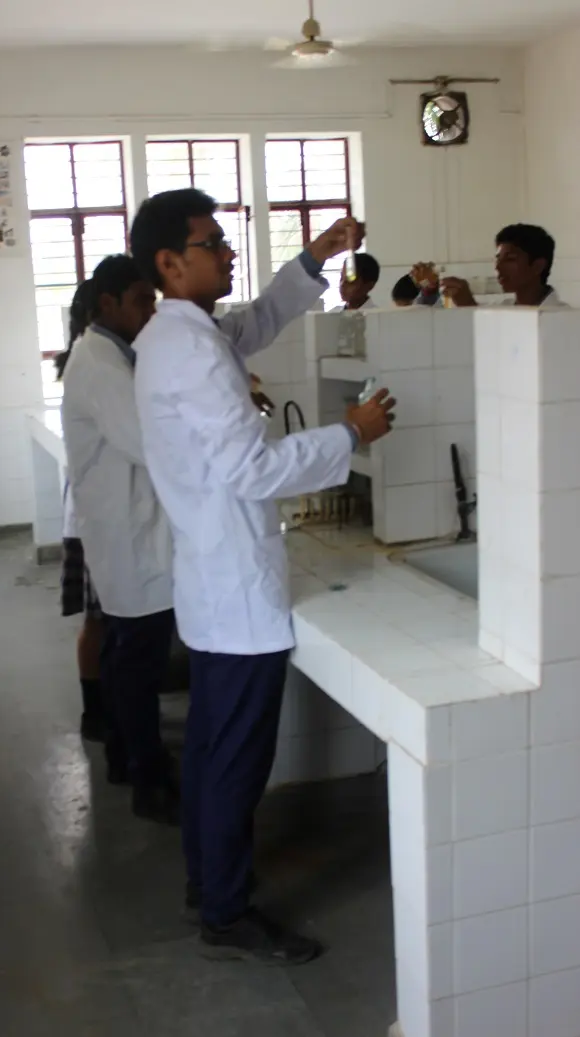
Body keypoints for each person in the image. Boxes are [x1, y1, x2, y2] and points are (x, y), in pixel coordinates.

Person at [130, 188, 395, 965]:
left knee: (212, 749)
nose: (227, 251)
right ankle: (226, 910)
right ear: (169, 263)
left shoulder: (185, 334)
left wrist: (314, 256)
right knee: (236, 760)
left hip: (215, 581)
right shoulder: (189, 350)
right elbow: (250, 469)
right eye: (212, 243)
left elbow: (258, 322)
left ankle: (206, 883)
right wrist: (350, 432)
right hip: (235, 589)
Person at [62, 255, 179, 825]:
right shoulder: (100, 364)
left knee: (121, 654)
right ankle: (147, 779)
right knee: (137, 665)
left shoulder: (109, 355)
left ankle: (121, 756)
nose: (150, 311)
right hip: (130, 541)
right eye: (140, 301)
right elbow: (146, 442)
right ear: (107, 303)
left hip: (127, 535)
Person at [57, 281, 107, 743]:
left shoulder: (88, 358)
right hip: (94, 518)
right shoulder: (92, 362)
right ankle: (96, 712)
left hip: (92, 514)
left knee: (100, 621)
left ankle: (100, 709)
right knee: (99, 621)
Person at [435, 224, 566, 308]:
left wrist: (468, 305)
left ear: (537, 266)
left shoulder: (565, 318)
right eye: (498, 259)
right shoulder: (501, 308)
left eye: (510, 259)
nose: (498, 267)